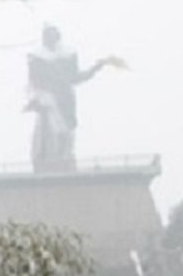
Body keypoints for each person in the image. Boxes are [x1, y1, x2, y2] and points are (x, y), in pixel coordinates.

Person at [26, 25, 122, 173]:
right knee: (51, 131)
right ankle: (47, 162)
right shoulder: (36, 57)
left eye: (54, 36)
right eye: (48, 37)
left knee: (66, 133)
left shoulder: (68, 55)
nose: (51, 40)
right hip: (48, 99)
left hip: (66, 99)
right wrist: (36, 98)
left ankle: (64, 160)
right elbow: (34, 81)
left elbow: (75, 77)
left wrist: (95, 68)